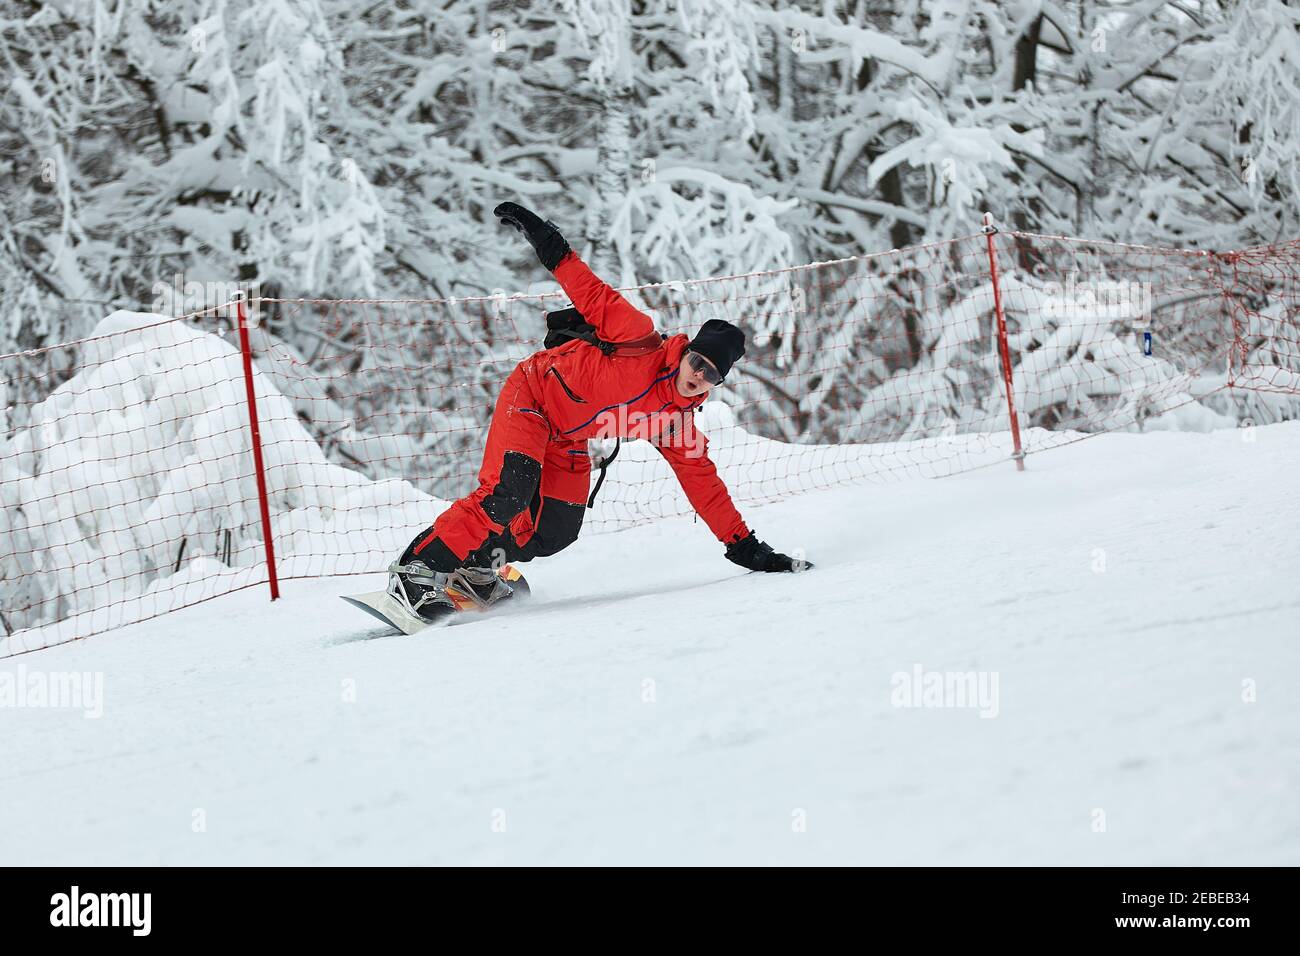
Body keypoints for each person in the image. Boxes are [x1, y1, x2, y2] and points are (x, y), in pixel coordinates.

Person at [391, 200, 812, 618]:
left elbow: (704, 484)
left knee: (556, 530)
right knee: (509, 491)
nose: (699, 375)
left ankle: (475, 565)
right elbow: (586, 287)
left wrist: (743, 547)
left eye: (711, 375)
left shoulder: (673, 423)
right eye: (698, 362)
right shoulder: (636, 337)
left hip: (568, 435)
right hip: (533, 395)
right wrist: (544, 236)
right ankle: (416, 571)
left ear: (716, 384)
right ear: (686, 351)